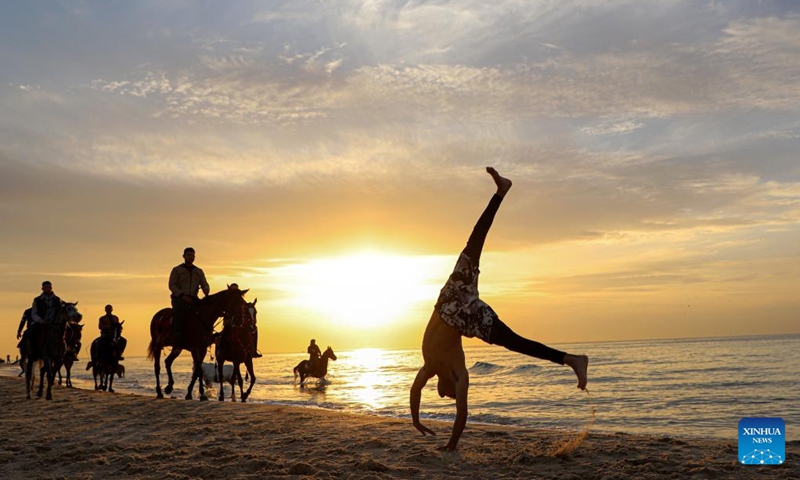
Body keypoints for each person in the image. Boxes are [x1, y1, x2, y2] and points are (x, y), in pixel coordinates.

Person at [410, 167, 589, 451]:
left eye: (444, 396)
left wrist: (419, 422)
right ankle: (571, 360)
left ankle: (500, 192)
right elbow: (461, 413)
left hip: (452, 299)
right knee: (513, 341)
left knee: (473, 244)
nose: (445, 397)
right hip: (466, 313)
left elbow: (416, 392)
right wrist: (432, 431)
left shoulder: (433, 369)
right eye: (449, 397)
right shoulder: (457, 375)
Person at [168, 247, 210, 344]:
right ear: (184, 256)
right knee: (179, 313)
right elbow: (172, 285)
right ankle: (177, 334)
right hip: (179, 298)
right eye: (189, 255)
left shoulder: (199, 271)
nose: (191, 257)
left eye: (193, 255)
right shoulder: (177, 270)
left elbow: (204, 283)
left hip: (193, 298)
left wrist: (206, 290)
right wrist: (182, 295)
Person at [227, 283, 262, 358]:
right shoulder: (227, 298)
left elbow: (245, 305)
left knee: (254, 329)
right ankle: (222, 351)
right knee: (225, 332)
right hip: (229, 320)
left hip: (239, 321)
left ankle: (254, 350)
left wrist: (250, 305)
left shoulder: (240, 298)